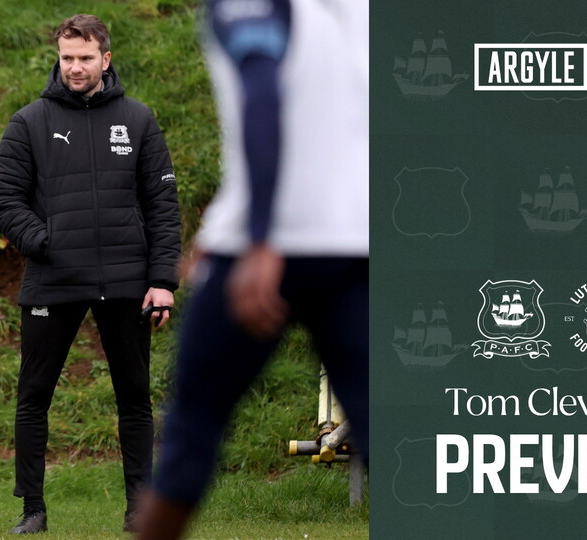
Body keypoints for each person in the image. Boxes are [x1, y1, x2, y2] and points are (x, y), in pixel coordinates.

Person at [136, 0, 369, 537]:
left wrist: (261, 238)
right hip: (357, 245)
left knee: (192, 429)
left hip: (265, 245)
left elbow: (264, 95)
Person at [0, 13, 181, 535]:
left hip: (127, 281)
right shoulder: (29, 122)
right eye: (67, 57)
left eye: (85, 58)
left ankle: (140, 509)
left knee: (134, 399)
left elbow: (162, 206)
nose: (75, 67)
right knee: (34, 398)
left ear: (105, 59)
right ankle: (33, 510)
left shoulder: (138, 119)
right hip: (53, 281)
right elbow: (2, 199)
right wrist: (45, 241)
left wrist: (162, 280)